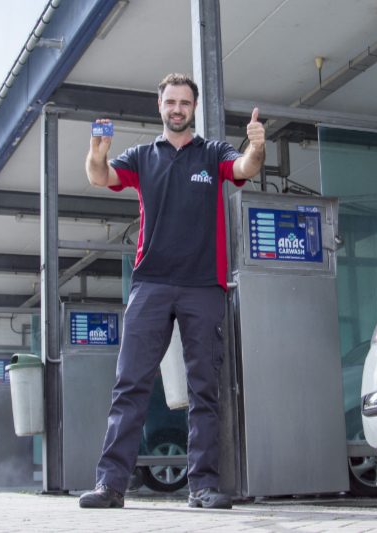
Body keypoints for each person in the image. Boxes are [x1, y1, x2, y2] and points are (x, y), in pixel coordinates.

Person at [78, 73, 265, 510]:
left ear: (193, 108)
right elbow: (100, 177)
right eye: (170, 102)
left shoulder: (213, 153)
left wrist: (256, 145)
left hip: (203, 286)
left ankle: (201, 487)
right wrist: (96, 152)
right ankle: (110, 485)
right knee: (130, 385)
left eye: (184, 102)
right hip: (151, 285)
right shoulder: (142, 156)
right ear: (159, 106)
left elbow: (244, 169)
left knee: (204, 389)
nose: (177, 108)